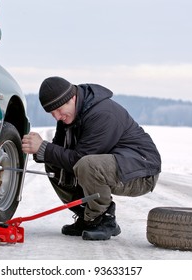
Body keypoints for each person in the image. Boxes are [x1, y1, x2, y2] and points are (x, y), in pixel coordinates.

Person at [22, 76, 161, 241]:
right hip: (114, 164)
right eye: (52, 113)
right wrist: (34, 148)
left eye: (59, 110)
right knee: (53, 162)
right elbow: (57, 153)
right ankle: (87, 216)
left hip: (141, 171)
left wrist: (43, 147)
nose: (57, 117)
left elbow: (80, 159)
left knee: (87, 165)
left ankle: (103, 218)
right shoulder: (68, 117)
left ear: (72, 98)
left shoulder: (102, 114)